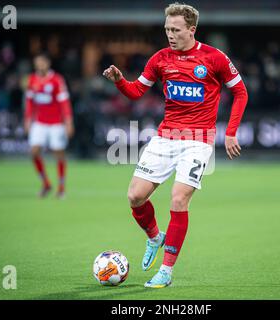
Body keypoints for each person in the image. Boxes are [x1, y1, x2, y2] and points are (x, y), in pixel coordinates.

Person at [103, 2, 248, 288]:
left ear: (191, 30)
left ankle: (166, 272)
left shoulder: (214, 58)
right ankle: (156, 238)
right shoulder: (160, 59)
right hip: (165, 136)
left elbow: (240, 93)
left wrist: (230, 132)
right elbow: (136, 92)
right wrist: (120, 81)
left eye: (176, 29)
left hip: (198, 141)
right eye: (167, 29)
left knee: (179, 199)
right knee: (135, 197)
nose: (170, 34)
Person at [24, 52, 74, 199]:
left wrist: (68, 121)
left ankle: (61, 187)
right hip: (39, 122)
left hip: (56, 124)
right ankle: (45, 183)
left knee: (59, 153)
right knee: (33, 152)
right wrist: (27, 119)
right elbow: (29, 102)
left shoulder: (56, 80)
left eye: (42, 62)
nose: (39, 65)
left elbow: (64, 102)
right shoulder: (32, 80)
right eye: (37, 63)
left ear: (48, 63)